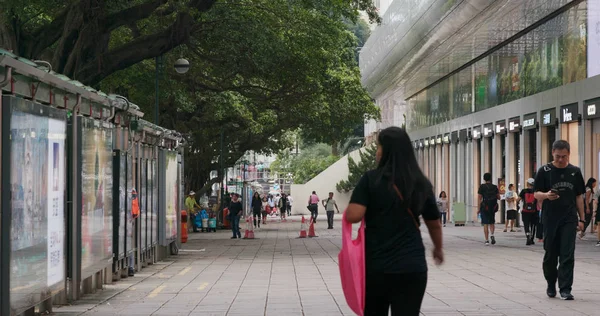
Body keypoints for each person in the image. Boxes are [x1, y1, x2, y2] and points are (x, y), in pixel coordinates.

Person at [346, 127, 443, 316]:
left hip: (376, 267)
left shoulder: (371, 180)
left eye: (379, 146)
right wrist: (438, 249)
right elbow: (434, 223)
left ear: (387, 150)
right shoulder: (420, 182)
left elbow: (353, 215)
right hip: (412, 266)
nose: (377, 151)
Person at [534, 140, 585, 300]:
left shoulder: (575, 172)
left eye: (564, 156)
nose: (561, 160)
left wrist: (582, 219)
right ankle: (551, 282)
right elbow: (536, 193)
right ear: (552, 153)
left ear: (569, 154)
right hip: (550, 218)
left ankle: (565, 288)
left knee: (567, 254)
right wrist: (546, 195)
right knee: (550, 254)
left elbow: (578, 196)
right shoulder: (544, 170)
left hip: (569, 219)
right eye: (557, 157)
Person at [478, 173, 500, 245]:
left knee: (485, 223)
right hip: (492, 207)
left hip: (484, 206)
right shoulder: (494, 187)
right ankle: (492, 235)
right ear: (490, 178)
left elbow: (479, 198)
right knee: (492, 222)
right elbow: (498, 197)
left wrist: (478, 208)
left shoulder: (482, 187)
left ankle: (486, 240)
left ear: (484, 179)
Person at [518, 178, 538, 245]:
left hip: (525, 211)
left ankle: (528, 236)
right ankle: (532, 238)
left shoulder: (524, 191)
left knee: (526, 225)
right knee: (533, 225)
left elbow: (518, 199)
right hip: (534, 211)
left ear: (528, 184)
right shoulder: (536, 191)